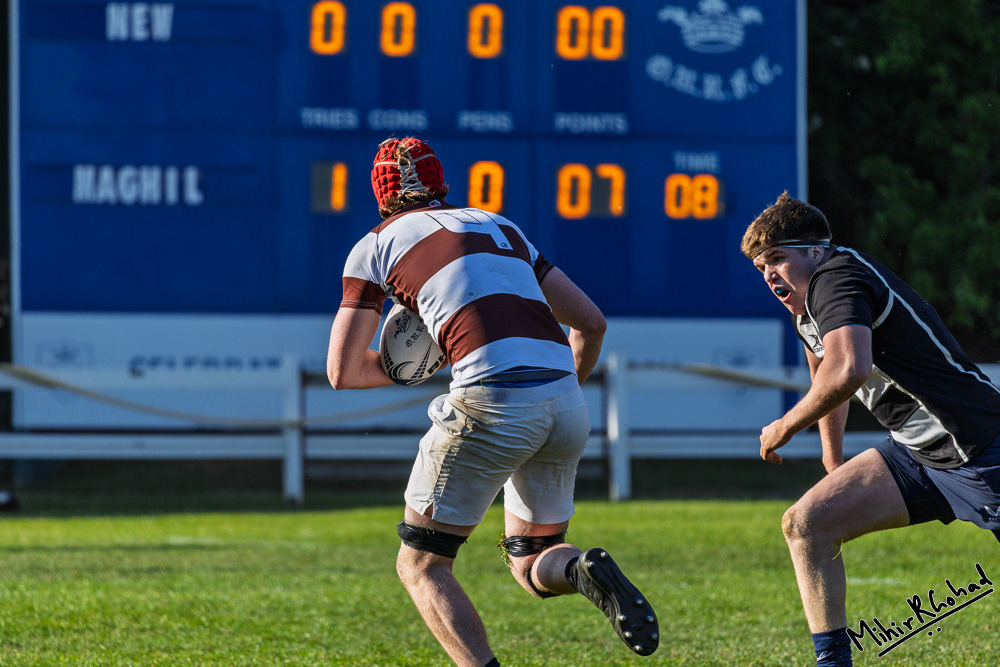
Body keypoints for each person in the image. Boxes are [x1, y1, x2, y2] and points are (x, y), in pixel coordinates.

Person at [326, 137, 659, 667]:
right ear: (441, 184)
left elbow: (342, 372)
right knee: (532, 565)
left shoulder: (376, 244)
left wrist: (420, 365)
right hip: (565, 402)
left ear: (380, 194)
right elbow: (591, 322)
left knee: (422, 565)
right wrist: (561, 389)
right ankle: (580, 569)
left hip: (491, 400)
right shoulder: (500, 226)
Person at [741, 192, 1000, 667]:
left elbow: (848, 370)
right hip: (917, 455)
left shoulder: (835, 276)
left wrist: (784, 425)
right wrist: (831, 457)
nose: (769, 275)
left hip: (979, 444)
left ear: (815, 249)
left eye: (777, 259)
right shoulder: (806, 310)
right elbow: (826, 378)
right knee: (807, 525)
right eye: (760, 267)